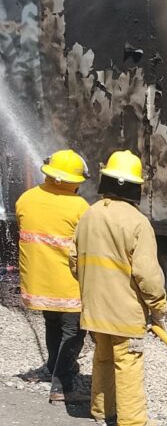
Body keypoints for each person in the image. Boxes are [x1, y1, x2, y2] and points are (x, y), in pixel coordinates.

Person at [69, 149, 167, 426]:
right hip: (125, 311)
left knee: (102, 356)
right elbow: (147, 275)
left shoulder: (89, 215)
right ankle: (133, 424)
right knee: (128, 361)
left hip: (94, 309)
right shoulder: (137, 223)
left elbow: (74, 261)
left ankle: (101, 409)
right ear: (136, 187)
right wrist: (158, 307)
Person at [15, 149, 90, 404]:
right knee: (74, 332)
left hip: (37, 284)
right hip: (68, 285)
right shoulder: (79, 207)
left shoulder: (25, 199)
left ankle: (52, 366)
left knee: (52, 325)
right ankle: (63, 386)